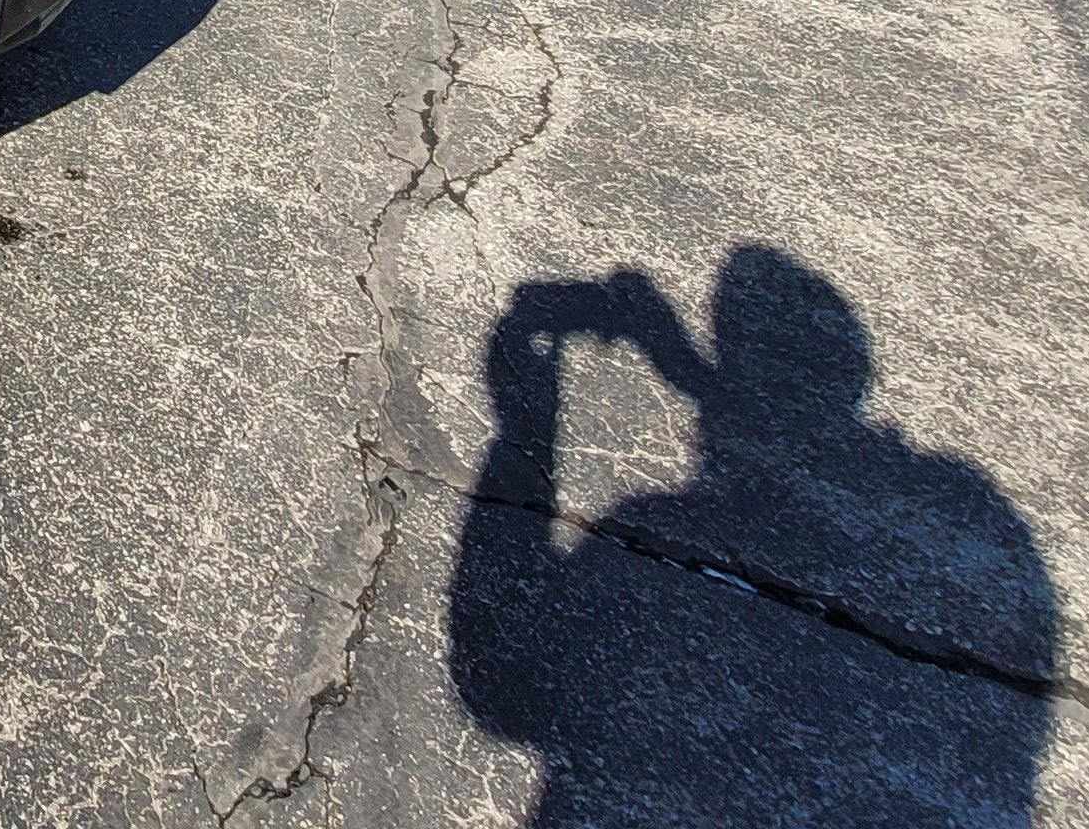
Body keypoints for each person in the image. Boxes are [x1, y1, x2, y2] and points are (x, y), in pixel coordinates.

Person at [446, 249, 1056, 825]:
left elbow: (499, 693)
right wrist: (687, 365)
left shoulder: (662, 523)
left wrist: (523, 420)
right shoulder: (964, 515)